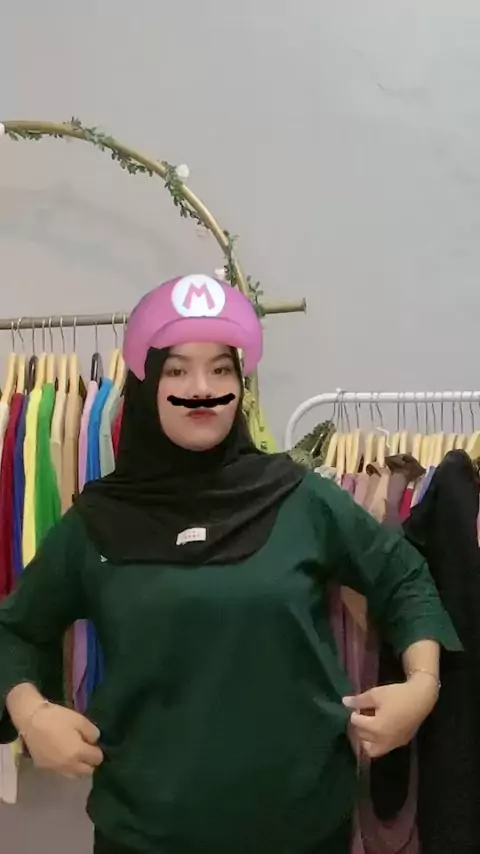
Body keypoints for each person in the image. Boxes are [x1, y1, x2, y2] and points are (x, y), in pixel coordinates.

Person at [0, 275, 460, 854]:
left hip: (304, 829)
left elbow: (403, 575)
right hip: (146, 834)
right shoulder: (97, 523)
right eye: (177, 370)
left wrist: (421, 686)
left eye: (222, 369)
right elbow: (15, 627)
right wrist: (31, 712)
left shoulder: (300, 499)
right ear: (146, 384)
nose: (203, 389)